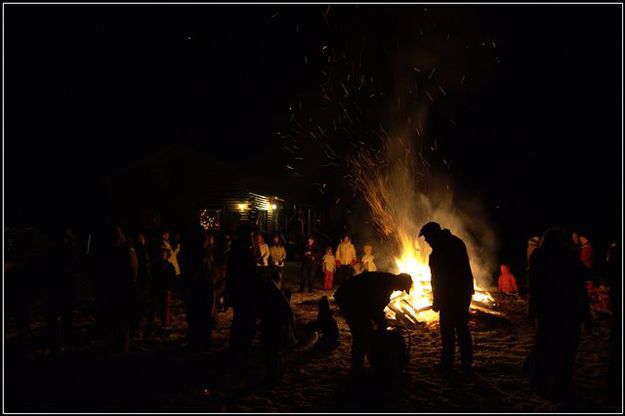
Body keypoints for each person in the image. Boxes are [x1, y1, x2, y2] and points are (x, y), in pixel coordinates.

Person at [528, 227, 592, 400]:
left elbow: (534, 288)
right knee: (566, 348)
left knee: (545, 345)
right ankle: (560, 382)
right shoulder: (569, 258)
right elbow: (581, 285)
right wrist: (586, 317)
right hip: (568, 311)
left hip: (549, 311)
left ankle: (541, 382)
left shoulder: (539, 258)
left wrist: (532, 311)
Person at [419, 221, 474, 375]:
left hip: (451, 296)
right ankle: (466, 365)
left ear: (433, 234)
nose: (426, 241)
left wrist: (437, 301)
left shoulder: (439, 251)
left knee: (448, 330)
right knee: (462, 328)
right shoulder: (456, 242)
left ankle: (448, 364)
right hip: (463, 293)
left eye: (427, 237)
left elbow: (438, 279)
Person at [333, 271, 413, 375]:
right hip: (348, 298)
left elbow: (374, 306)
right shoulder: (385, 284)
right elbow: (374, 307)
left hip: (355, 299)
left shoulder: (388, 281)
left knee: (366, 331)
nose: (402, 290)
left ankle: (362, 365)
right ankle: (357, 370)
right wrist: (382, 323)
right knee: (361, 333)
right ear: (400, 282)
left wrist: (381, 322)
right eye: (403, 287)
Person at [225, 225, 259, 376]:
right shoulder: (242, 252)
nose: (253, 238)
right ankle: (239, 357)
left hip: (243, 293)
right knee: (244, 324)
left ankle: (238, 354)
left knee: (241, 323)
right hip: (244, 293)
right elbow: (242, 274)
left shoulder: (240, 250)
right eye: (251, 235)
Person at [183, 228, 216, 351]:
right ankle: (198, 342)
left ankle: (202, 342)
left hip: (204, 291)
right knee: (199, 317)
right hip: (200, 291)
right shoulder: (198, 256)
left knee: (203, 317)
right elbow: (194, 275)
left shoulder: (204, 255)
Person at [152, 247, 176, 328]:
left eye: (164, 254)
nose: (163, 255)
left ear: (167, 255)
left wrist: (170, 287)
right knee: (157, 305)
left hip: (166, 288)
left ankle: (165, 322)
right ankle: (152, 321)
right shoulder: (156, 265)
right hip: (159, 287)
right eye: (162, 254)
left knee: (166, 306)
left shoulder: (170, 266)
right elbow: (153, 276)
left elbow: (172, 277)